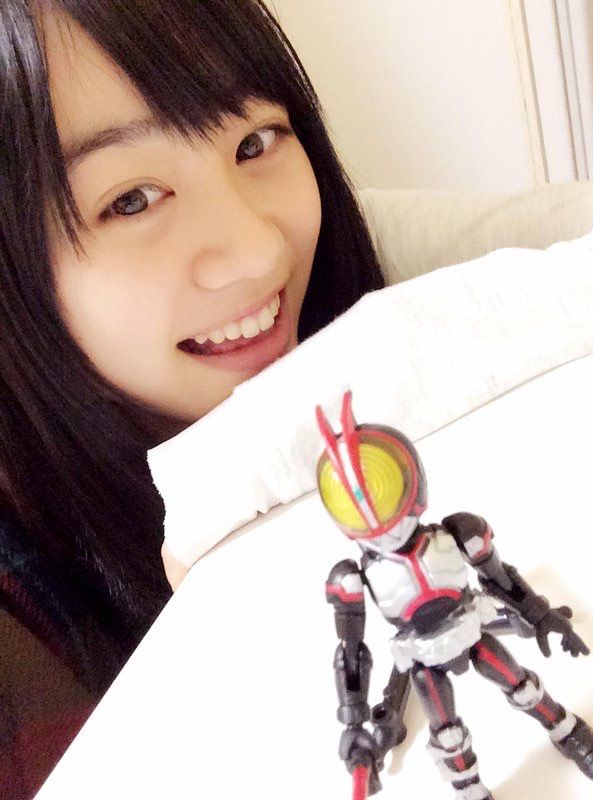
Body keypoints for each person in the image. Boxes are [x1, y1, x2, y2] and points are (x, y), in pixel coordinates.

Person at [0, 1, 385, 796]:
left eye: (255, 142)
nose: (259, 251)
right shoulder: (26, 635)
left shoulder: (385, 361)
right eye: (132, 199)